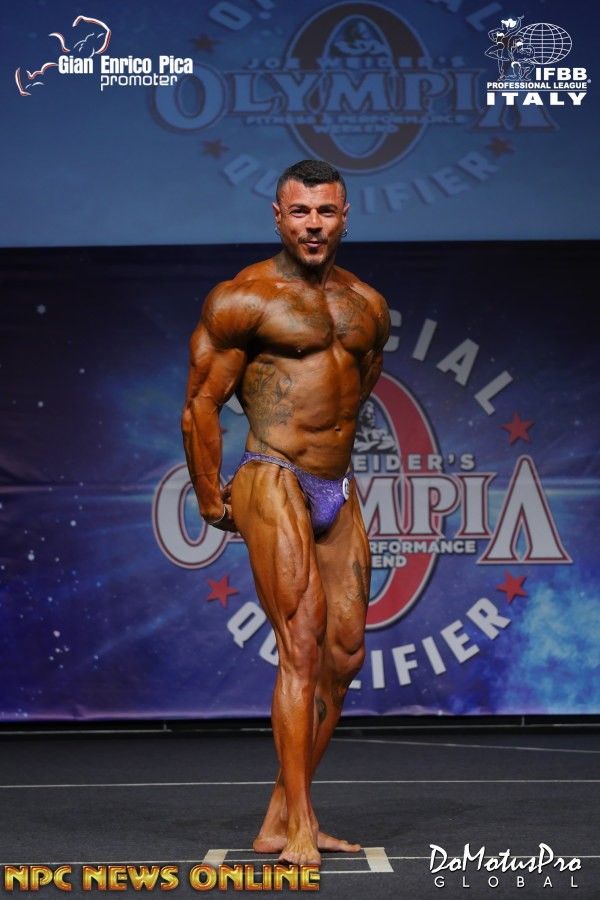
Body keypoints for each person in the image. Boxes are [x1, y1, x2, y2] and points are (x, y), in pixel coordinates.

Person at [181, 159, 390, 865]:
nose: (313, 225)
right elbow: (201, 404)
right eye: (300, 212)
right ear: (278, 216)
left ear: (345, 217)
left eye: (325, 212)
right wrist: (210, 494)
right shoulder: (243, 299)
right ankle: (301, 824)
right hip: (273, 473)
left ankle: (279, 811)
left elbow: (360, 385)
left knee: (345, 653)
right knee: (300, 645)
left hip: (336, 482)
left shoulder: (367, 304)